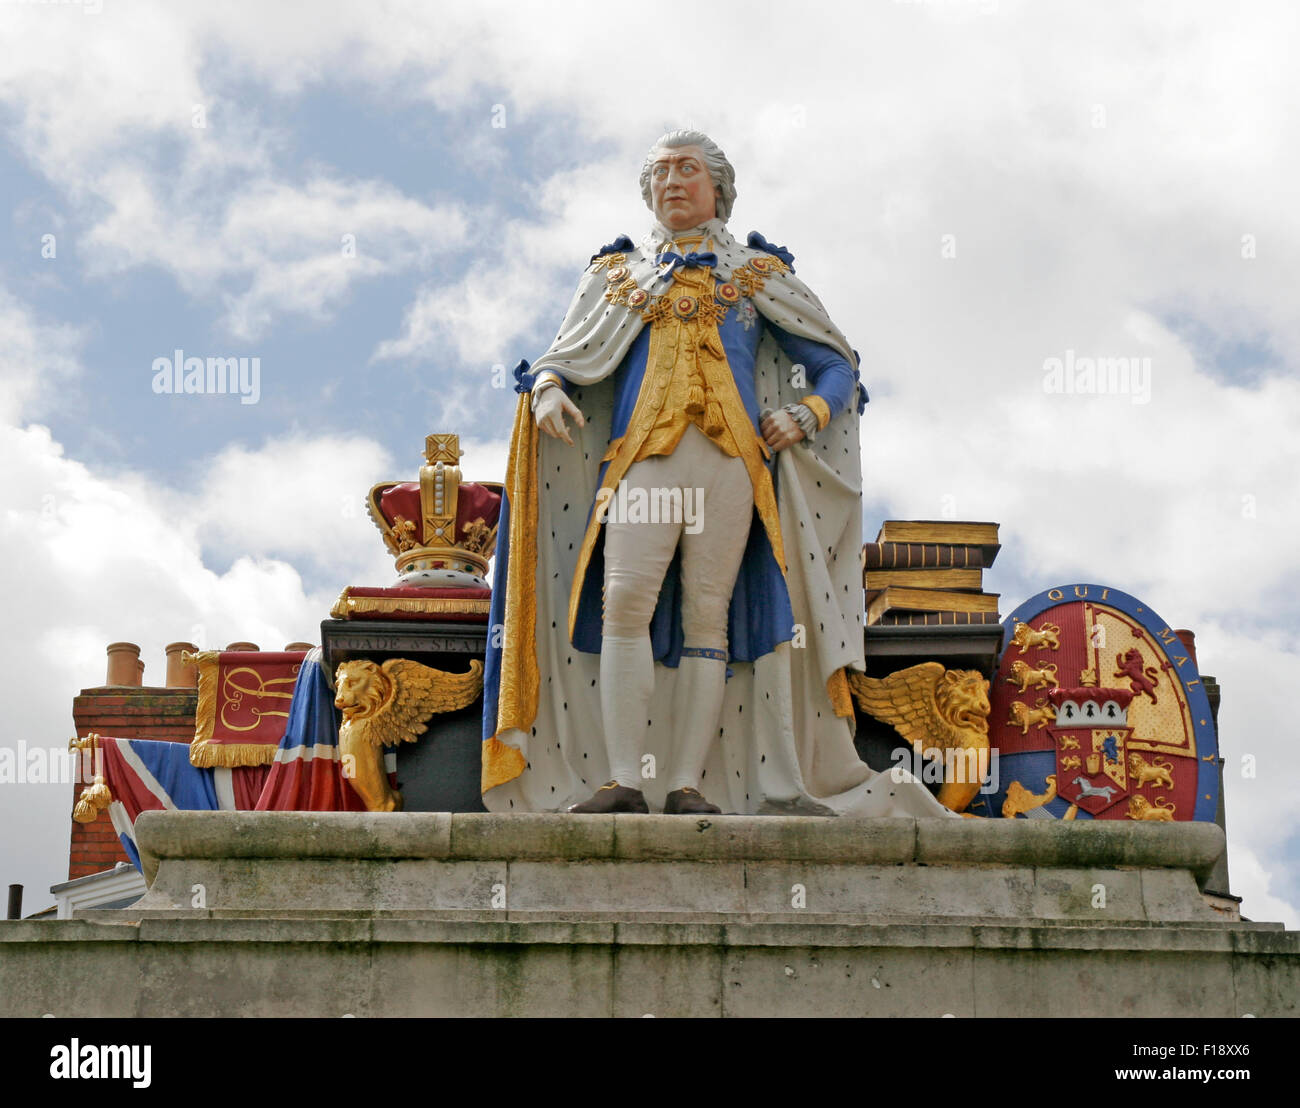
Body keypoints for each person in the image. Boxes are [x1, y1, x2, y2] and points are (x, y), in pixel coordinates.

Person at [481, 130, 954, 821]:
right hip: (644, 459)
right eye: (662, 172)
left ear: (719, 188)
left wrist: (808, 414)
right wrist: (550, 387)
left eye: (688, 170)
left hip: (733, 464)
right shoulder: (618, 274)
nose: (673, 182)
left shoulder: (757, 273)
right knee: (624, 603)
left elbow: (835, 362)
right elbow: (566, 353)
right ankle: (620, 779)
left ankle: (684, 782)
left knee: (711, 619)